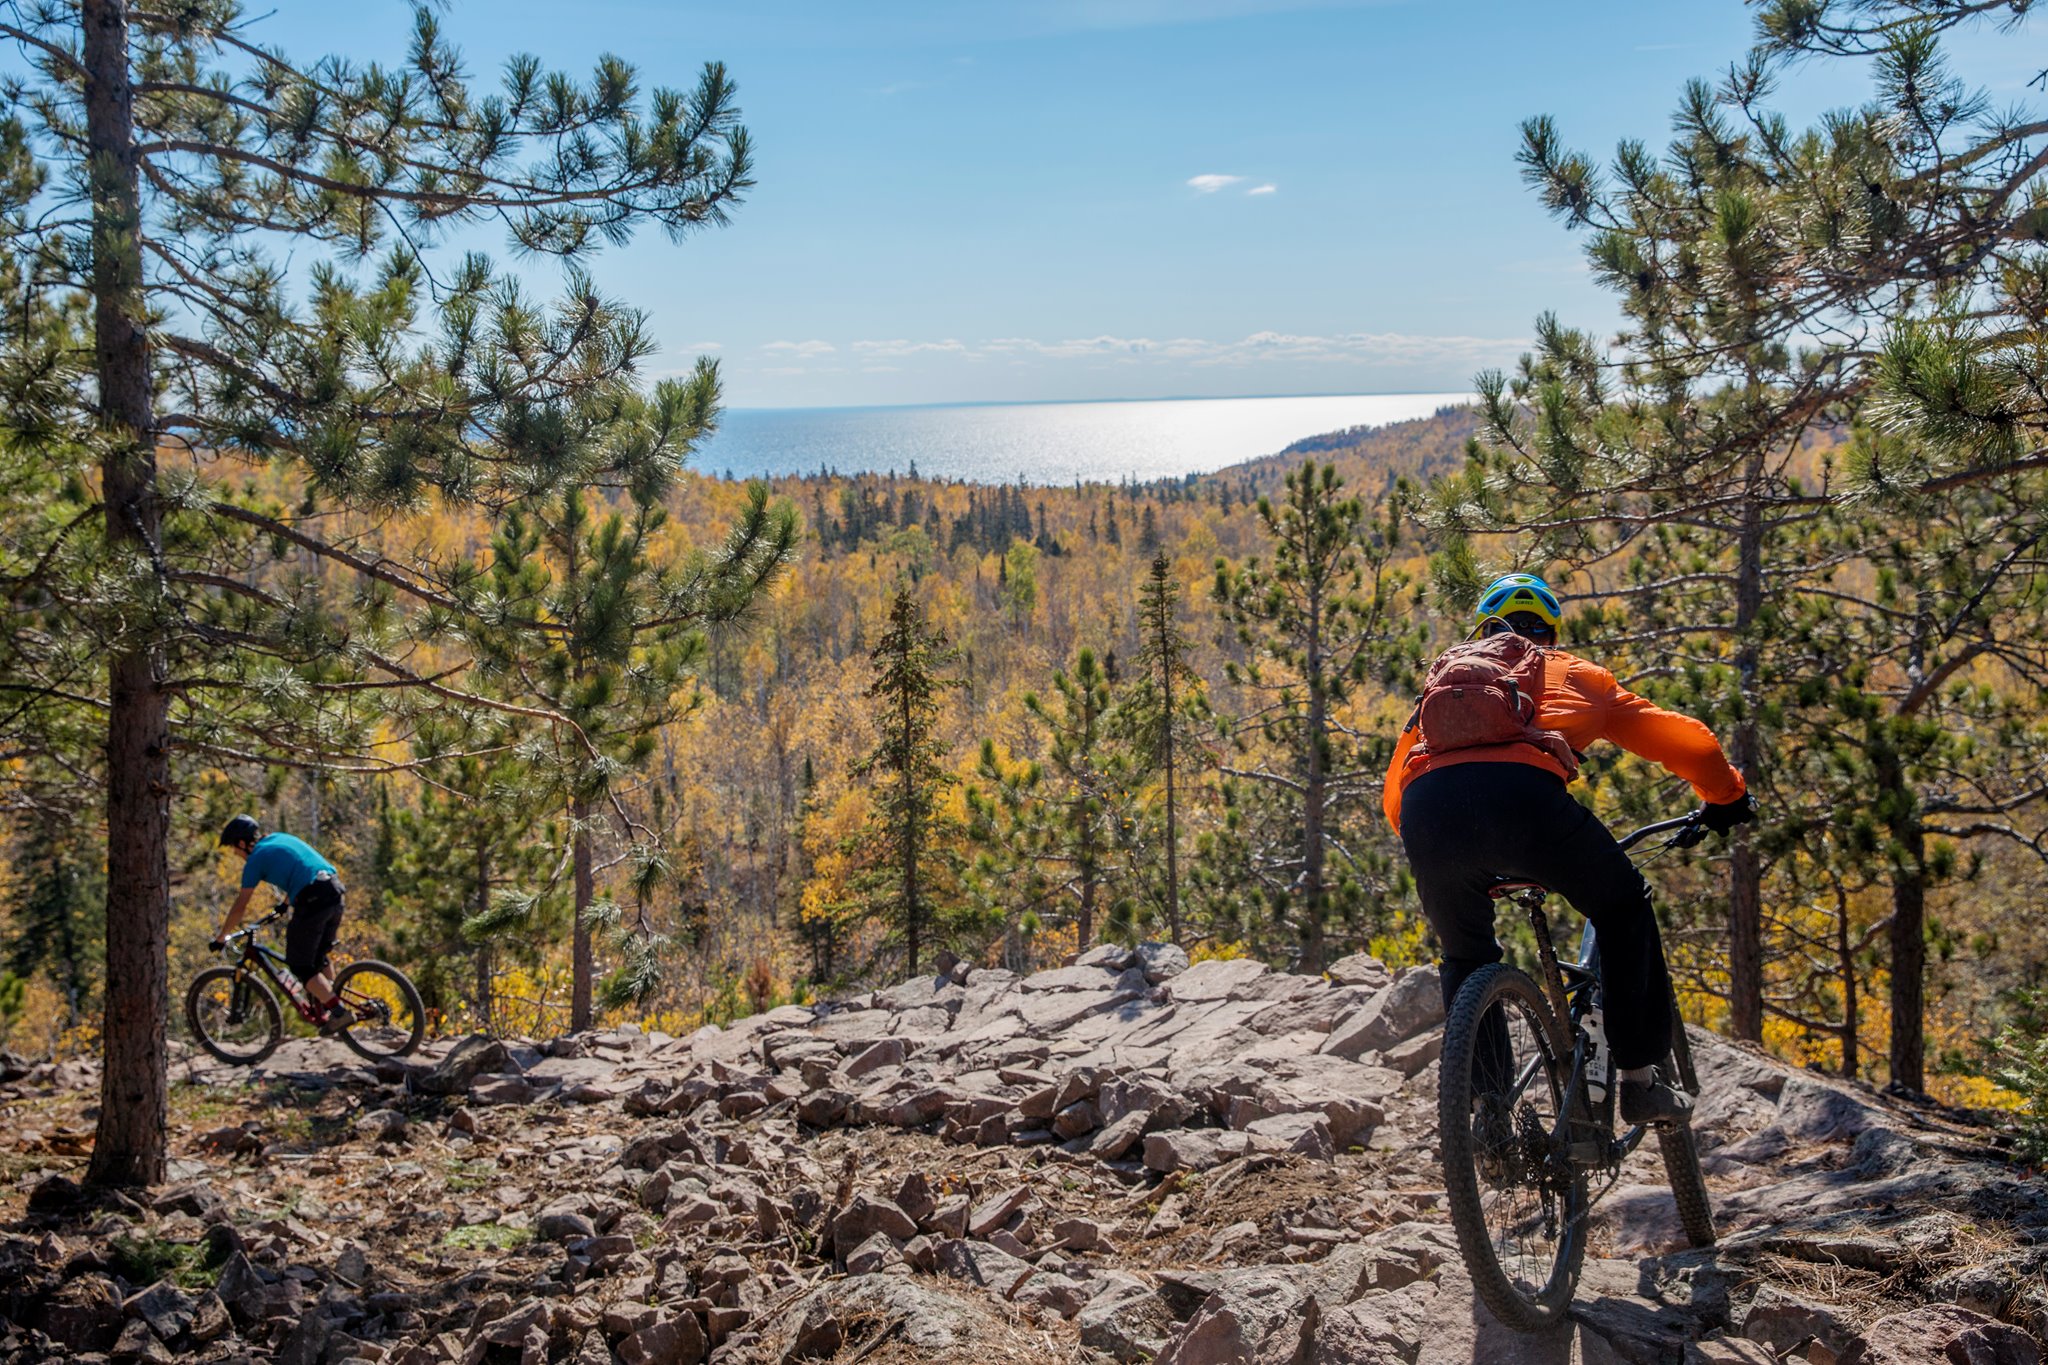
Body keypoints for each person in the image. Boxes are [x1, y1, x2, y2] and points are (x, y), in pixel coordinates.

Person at [1383, 573, 1755, 1126]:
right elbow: (1690, 743)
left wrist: (1446, 845)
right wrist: (1726, 796)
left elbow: (1395, 794)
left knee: (1468, 958)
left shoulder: (1444, 688)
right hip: (1526, 806)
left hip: (1430, 815)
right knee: (1623, 905)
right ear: (1550, 635)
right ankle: (1640, 1080)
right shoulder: (1574, 674)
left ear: (1481, 634)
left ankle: (1488, 1117)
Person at [211, 815, 354, 1033]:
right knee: (318, 957)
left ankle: (338, 1012)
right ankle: (331, 1001)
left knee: (300, 966)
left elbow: (241, 905)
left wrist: (222, 936)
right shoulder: (279, 838)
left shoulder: (255, 860)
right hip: (334, 890)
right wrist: (285, 904)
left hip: (313, 899)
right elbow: (301, 868)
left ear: (242, 843)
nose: (235, 854)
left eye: (234, 848)